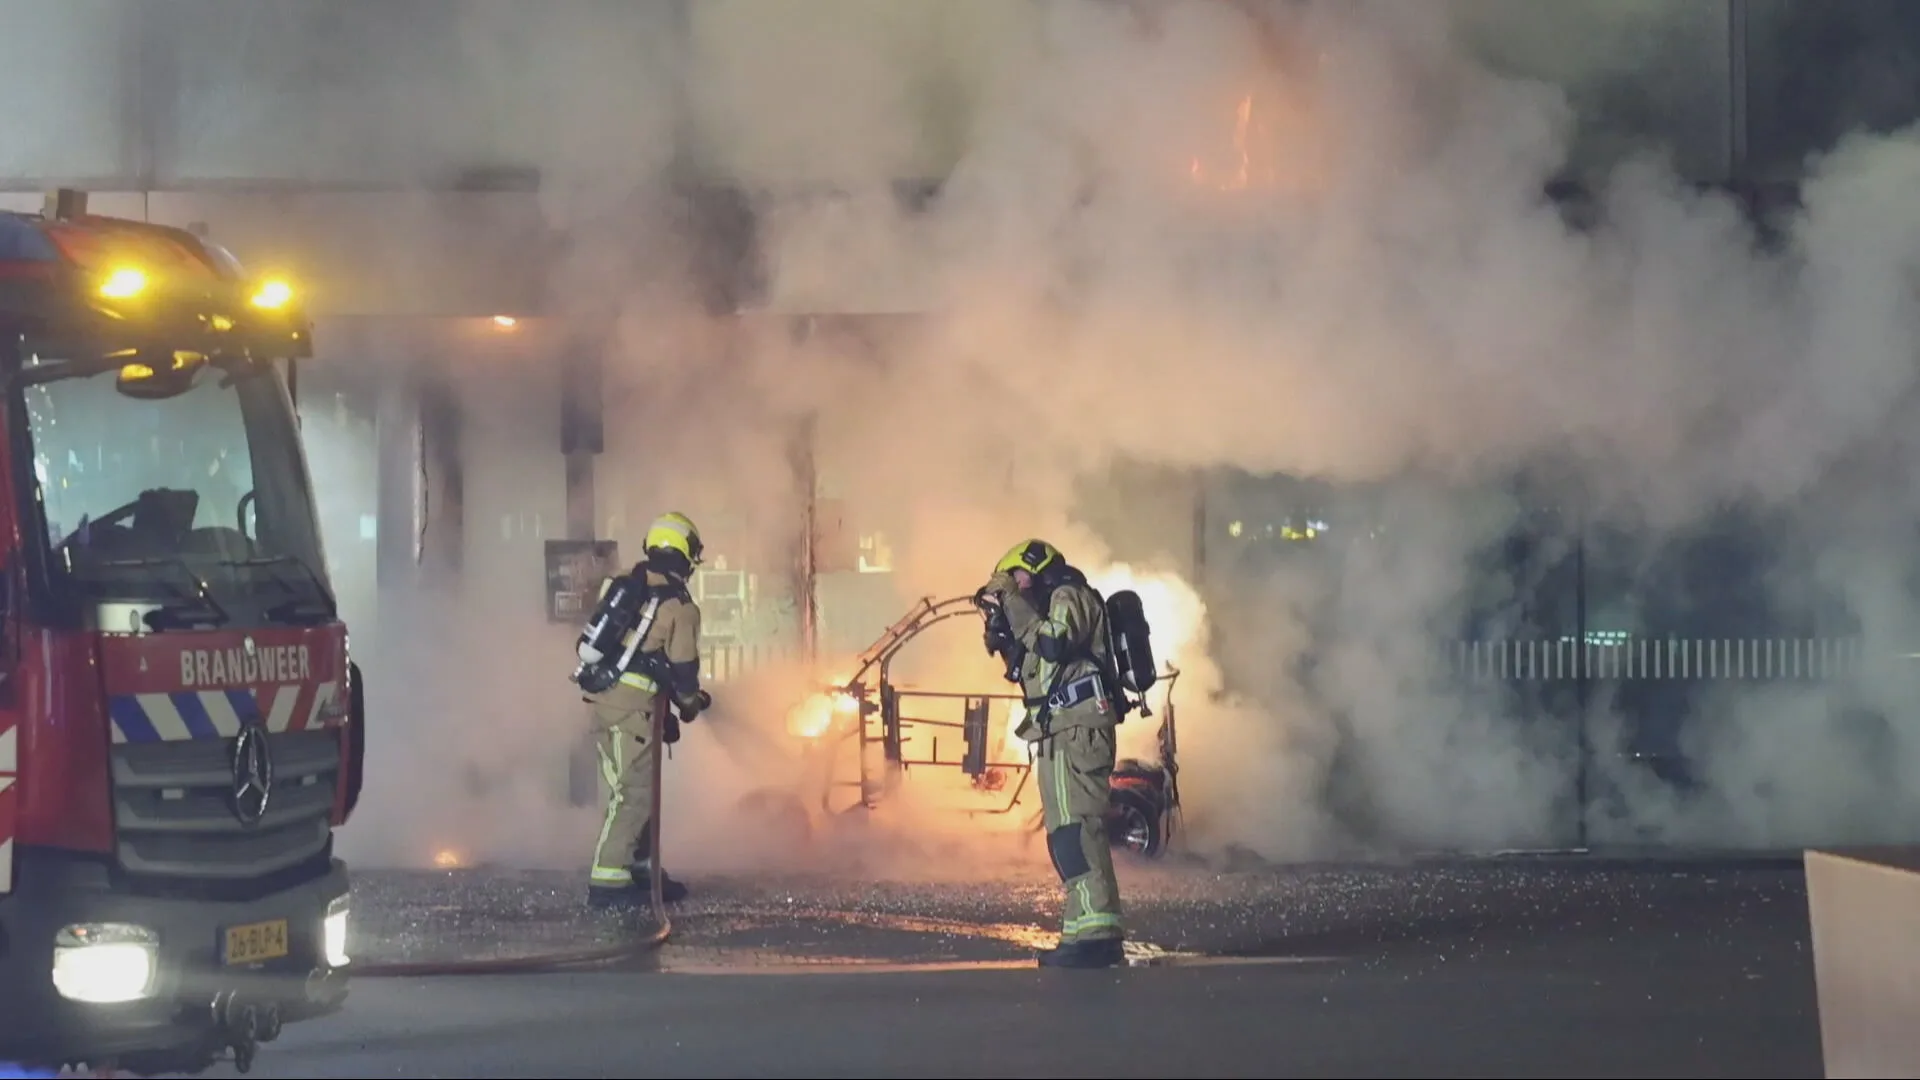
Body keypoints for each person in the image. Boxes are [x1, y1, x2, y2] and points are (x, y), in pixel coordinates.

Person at [982, 538, 1127, 968]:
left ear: (1034, 567)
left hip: (1078, 729)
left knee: (1079, 829)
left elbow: (1052, 644)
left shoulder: (1070, 595)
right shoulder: (1046, 607)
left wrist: (1011, 600)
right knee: (1064, 834)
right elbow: (1034, 670)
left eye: (1017, 578)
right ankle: (1082, 929)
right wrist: (1003, 630)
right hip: (1058, 732)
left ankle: (1099, 934)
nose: (1016, 587)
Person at [585, 511, 712, 909]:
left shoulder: (626, 586)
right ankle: (608, 881)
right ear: (686, 556)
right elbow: (684, 671)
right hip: (631, 712)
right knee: (635, 793)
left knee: (637, 788)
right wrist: (689, 706)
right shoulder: (679, 607)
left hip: (606, 701)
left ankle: (641, 867)